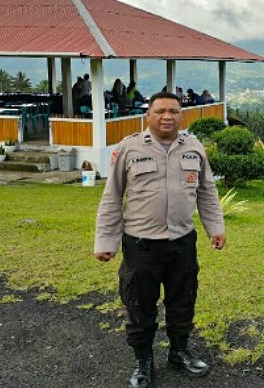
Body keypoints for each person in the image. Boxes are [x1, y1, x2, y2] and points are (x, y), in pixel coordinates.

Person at [94, 91, 226, 388]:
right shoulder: (129, 148)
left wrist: (216, 227)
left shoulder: (193, 147)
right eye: (160, 111)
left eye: (174, 111)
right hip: (141, 245)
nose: (167, 116)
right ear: (148, 116)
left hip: (182, 242)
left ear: (182, 116)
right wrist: (105, 242)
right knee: (139, 305)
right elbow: (112, 197)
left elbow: (207, 191)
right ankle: (143, 362)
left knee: (183, 300)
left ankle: (179, 352)